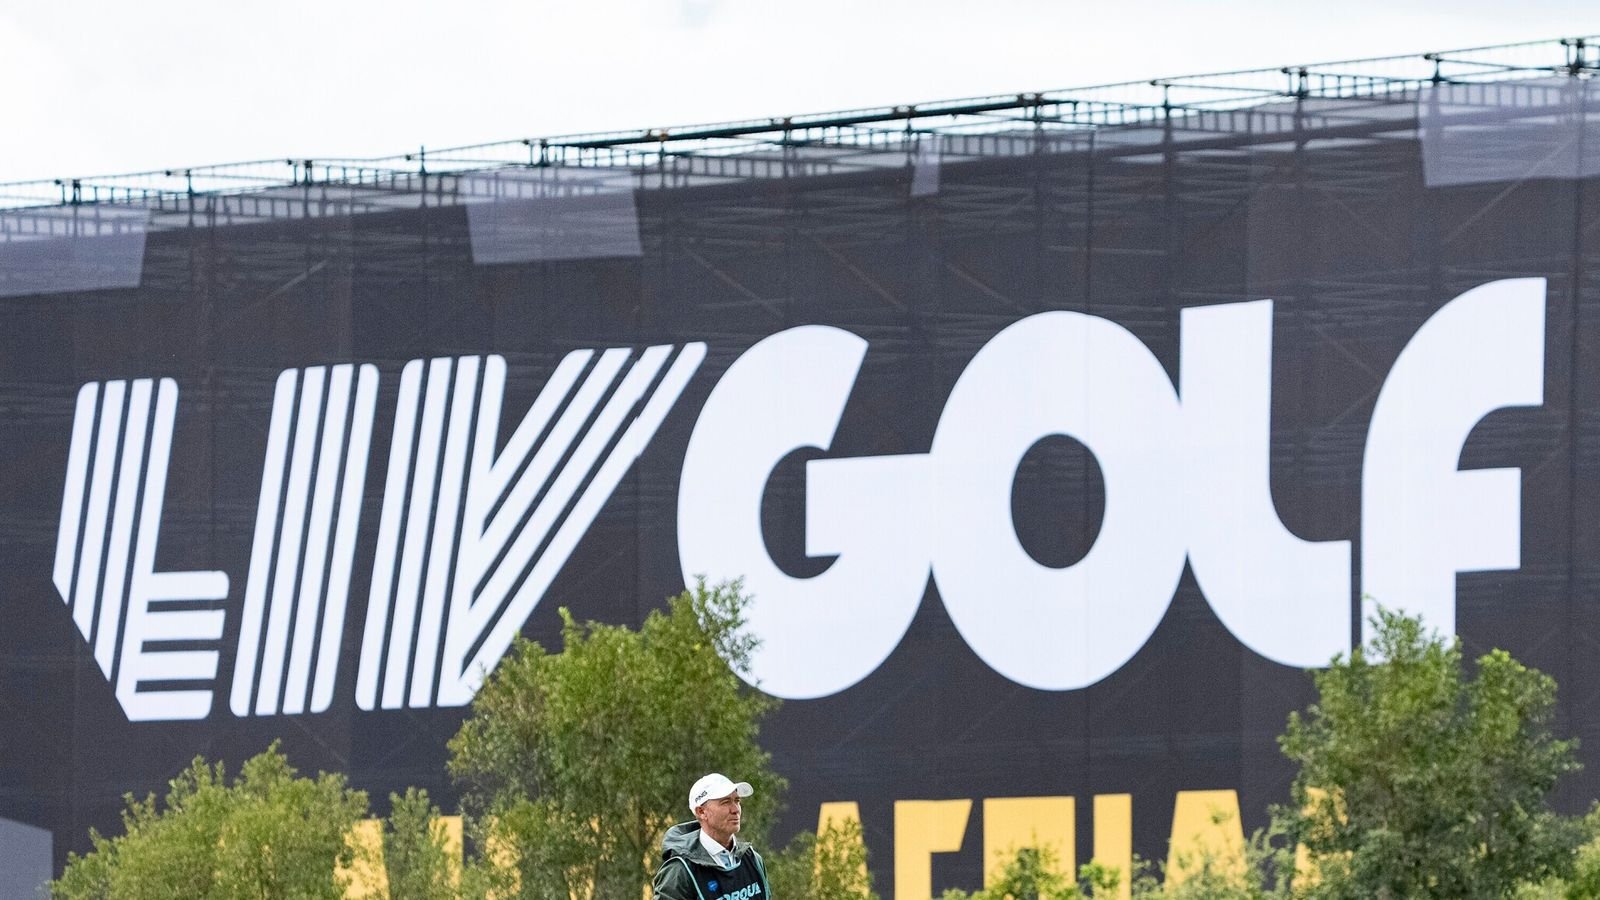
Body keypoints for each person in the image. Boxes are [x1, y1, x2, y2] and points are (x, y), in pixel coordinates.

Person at [653, 773, 770, 900]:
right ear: (701, 812)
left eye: (737, 801)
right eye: (725, 802)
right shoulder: (680, 871)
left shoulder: (753, 860)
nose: (735, 809)